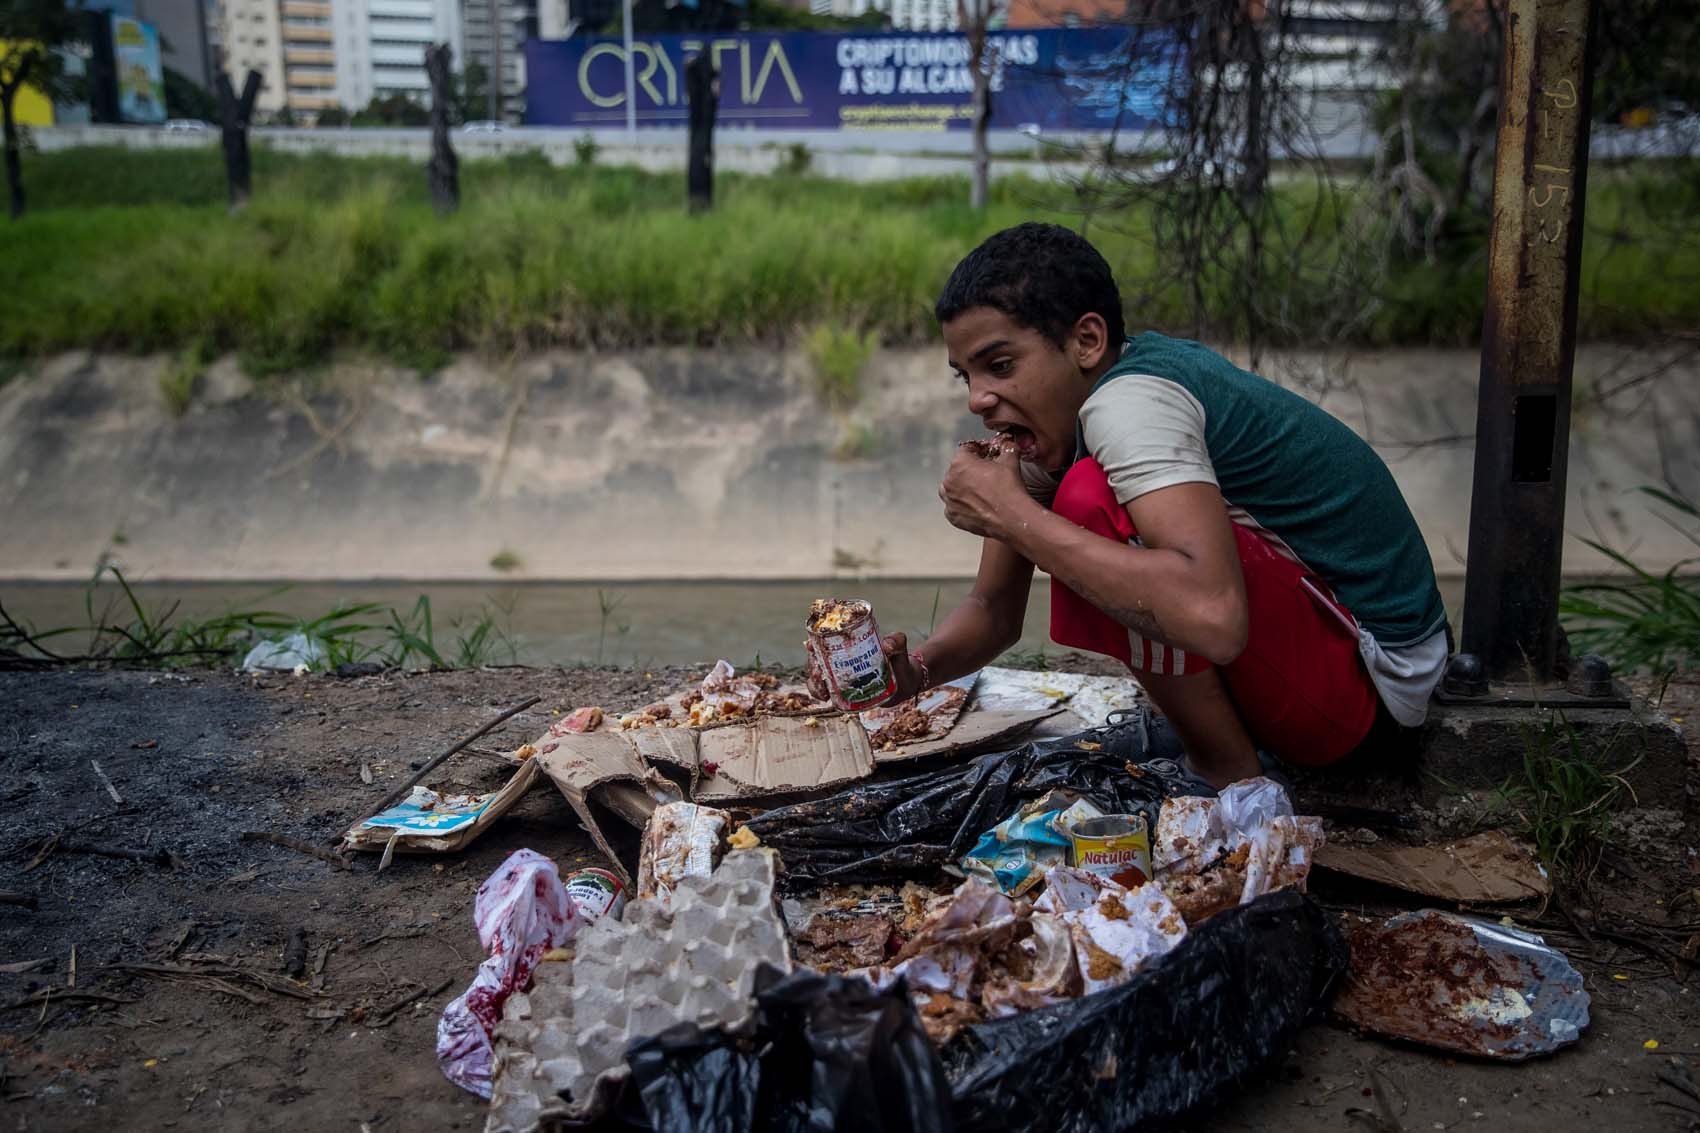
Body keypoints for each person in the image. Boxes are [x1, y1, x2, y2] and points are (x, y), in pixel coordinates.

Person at [875, 222, 1449, 787]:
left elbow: (1214, 619)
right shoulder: (1051, 425)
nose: (979, 398)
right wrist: (916, 674)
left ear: (1087, 342)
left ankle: (1223, 769)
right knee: (1073, 500)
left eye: (1000, 366)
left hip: (1370, 696)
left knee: (1086, 500)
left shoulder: (1131, 405)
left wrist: (1014, 516)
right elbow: (993, 609)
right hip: (1315, 667)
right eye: (965, 375)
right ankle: (1221, 744)